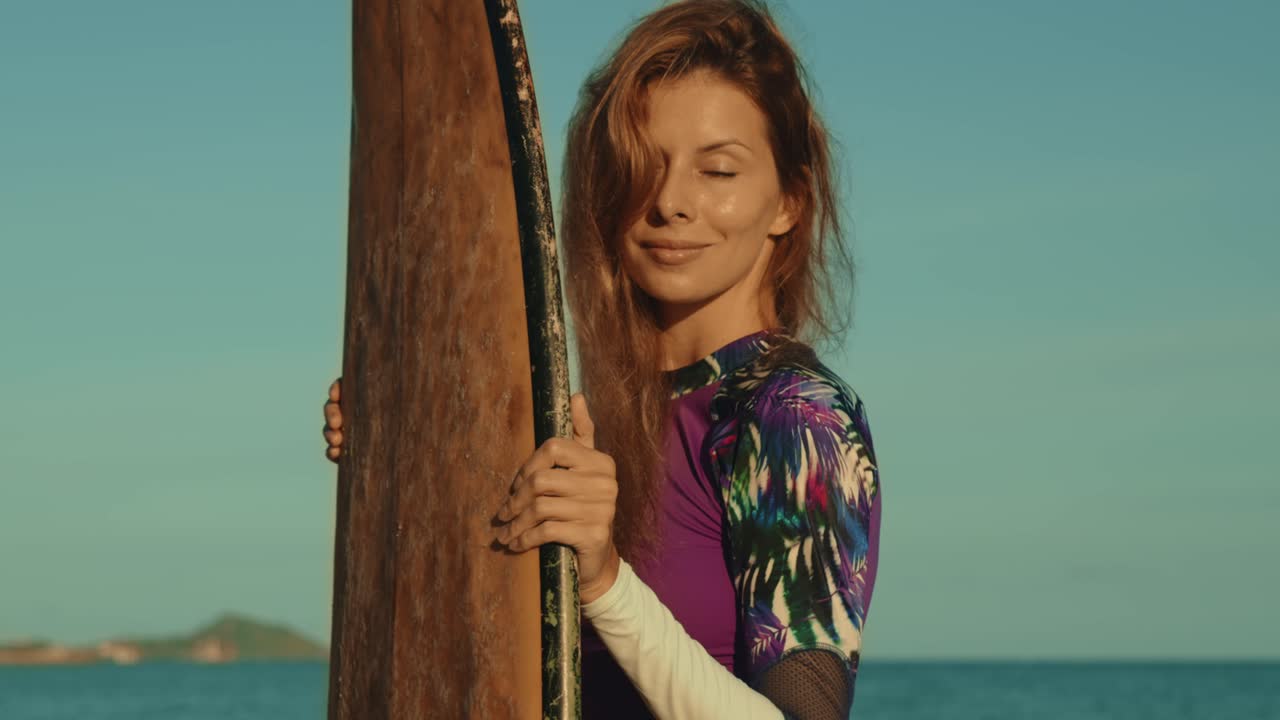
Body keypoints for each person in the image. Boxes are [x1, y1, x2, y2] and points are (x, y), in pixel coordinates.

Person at [323, 1, 882, 717]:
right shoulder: (593, 424)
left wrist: (606, 583)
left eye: (717, 170)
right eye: (643, 166)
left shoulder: (792, 418)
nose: (670, 201)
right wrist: (398, 453)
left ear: (787, 204)